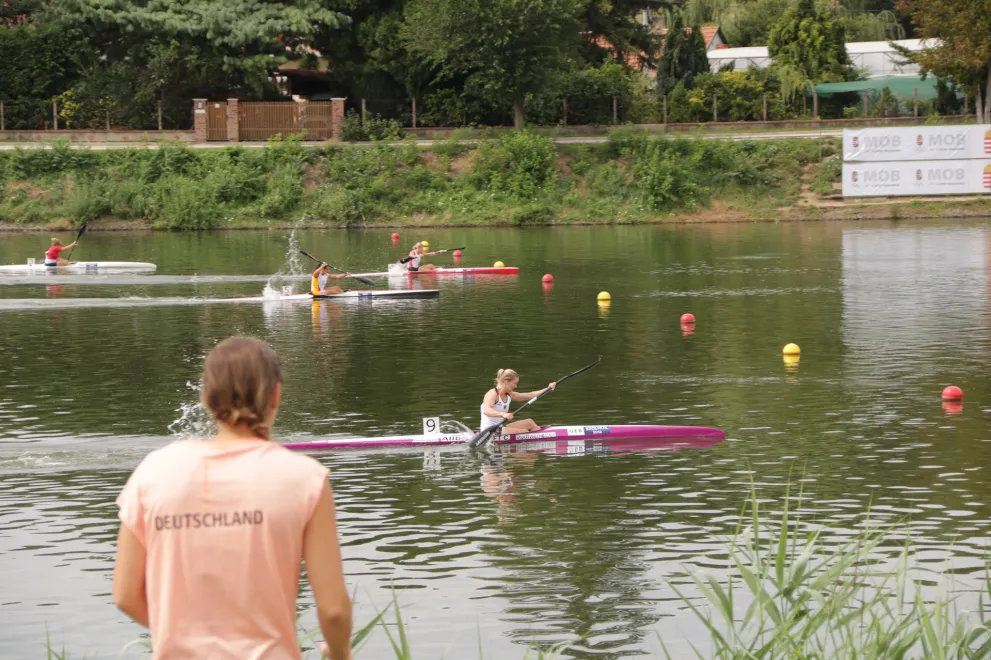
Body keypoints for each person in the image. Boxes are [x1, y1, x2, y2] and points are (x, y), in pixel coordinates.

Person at [113, 337, 353, 660]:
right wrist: (340, 654)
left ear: (206, 396)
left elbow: (126, 595)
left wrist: (192, 637)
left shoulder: (152, 472)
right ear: (276, 395)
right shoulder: (305, 478)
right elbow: (334, 610)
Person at [480, 368, 556, 434]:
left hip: (500, 428)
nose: (516, 386)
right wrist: (503, 414)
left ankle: (541, 438)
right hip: (490, 431)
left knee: (529, 422)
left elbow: (530, 395)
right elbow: (487, 410)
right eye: (514, 383)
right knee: (524, 433)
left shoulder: (509, 394)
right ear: (507, 382)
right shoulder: (492, 394)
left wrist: (548, 389)